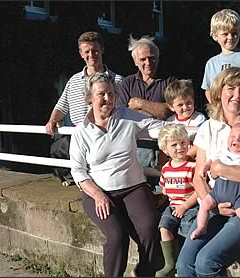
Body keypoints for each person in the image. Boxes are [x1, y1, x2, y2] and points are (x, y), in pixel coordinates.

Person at [176, 66, 240, 277]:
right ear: (219, 91)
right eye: (230, 88)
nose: (237, 95)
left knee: (207, 262)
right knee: (185, 264)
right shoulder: (208, 128)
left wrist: (220, 168)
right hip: (216, 205)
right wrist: (212, 204)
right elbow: (199, 177)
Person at [69, 72, 165, 277]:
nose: (107, 99)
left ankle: (144, 273)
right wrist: (97, 195)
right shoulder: (81, 132)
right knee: (117, 235)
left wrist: (198, 129)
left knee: (148, 228)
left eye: (111, 94)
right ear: (90, 98)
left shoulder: (127, 117)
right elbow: (77, 170)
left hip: (133, 187)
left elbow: (159, 128)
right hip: (98, 191)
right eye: (101, 94)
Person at [191, 121, 240, 251]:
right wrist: (204, 168)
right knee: (204, 204)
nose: (236, 140)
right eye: (233, 136)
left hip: (238, 194)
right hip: (218, 191)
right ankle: (202, 227)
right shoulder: (223, 151)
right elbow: (211, 160)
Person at [117, 35, 176, 185]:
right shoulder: (127, 83)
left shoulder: (170, 81)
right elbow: (122, 115)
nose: (148, 63)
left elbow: (168, 111)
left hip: (164, 148)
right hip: (137, 148)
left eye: (152, 58)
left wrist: (139, 103)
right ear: (136, 62)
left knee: (165, 189)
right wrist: (156, 110)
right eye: (143, 59)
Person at [45, 31, 123, 136]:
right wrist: (52, 120)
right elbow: (61, 106)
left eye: (95, 51)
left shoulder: (118, 81)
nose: (91, 55)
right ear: (81, 53)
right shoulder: (73, 81)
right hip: (79, 137)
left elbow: (125, 110)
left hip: (107, 137)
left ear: (102, 50)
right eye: (87, 51)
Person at [155, 124, 200, 277]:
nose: (180, 147)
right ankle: (170, 263)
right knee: (164, 227)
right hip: (172, 205)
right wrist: (161, 200)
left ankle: (184, 261)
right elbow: (165, 189)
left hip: (191, 206)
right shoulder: (166, 168)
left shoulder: (192, 166)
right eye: (174, 145)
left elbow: (198, 191)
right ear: (165, 150)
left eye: (183, 142)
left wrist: (186, 206)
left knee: (186, 231)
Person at [164, 79, 206, 158]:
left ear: (193, 100)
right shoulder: (170, 121)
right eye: (180, 105)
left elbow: (201, 135)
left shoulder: (199, 118)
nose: (185, 107)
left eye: (188, 103)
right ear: (172, 107)